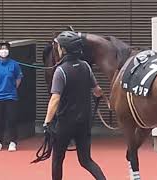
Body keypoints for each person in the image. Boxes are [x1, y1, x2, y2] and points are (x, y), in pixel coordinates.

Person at [43, 31, 106, 180]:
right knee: (86, 161)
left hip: (65, 123)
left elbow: (55, 99)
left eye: (58, 46)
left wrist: (47, 122)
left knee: (57, 160)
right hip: (84, 122)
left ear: (64, 49)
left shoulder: (61, 71)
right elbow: (97, 91)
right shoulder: (85, 66)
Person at [0, 40, 23, 152]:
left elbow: (19, 78)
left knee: (11, 120)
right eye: (1, 48)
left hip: (11, 96)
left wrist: (12, 87)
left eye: (6, 48)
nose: (4, 50)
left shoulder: (14, 64)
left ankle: (12, 142)